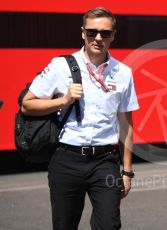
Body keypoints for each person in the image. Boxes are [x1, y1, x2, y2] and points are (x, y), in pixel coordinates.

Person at [22, 7, 139, 230]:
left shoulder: (123, 72)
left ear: (113, 35)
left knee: (109, 225)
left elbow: (126, 125)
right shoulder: (60, 65)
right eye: (92, 32)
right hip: (67, 160)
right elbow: (27, 105)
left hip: (105, 161)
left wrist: (127, 171)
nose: (98, 38)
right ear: (82, 32)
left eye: (105, 33)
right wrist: (63, 100)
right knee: (64, 225)